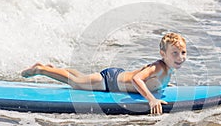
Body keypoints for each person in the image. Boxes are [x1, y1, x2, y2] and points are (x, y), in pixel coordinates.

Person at [21, 32, 187, 114]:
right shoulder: (158, 67)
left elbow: (152, 79)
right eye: (175, 53)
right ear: (163, 54)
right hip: (110, 81)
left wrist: (163, 85)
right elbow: (137, 79)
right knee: (76, 83)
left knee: (80, 77)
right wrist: (151, 100)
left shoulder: (169, 67)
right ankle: (40, 69)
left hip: (119, 77)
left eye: (183, 53)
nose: (180, 58)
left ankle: (51, 68)